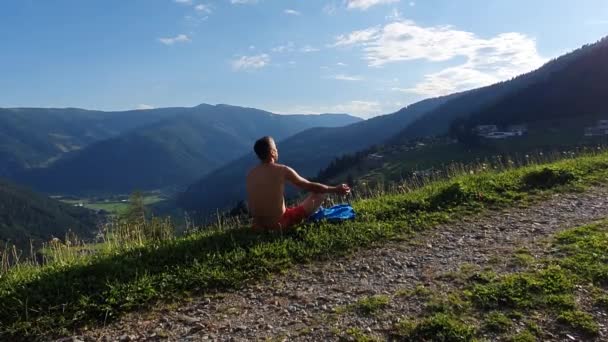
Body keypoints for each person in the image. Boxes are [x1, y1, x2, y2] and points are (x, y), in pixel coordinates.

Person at [246, 136, 351, 231]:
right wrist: (336, 189)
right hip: (279, 224)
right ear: (272, 152)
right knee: (320, 193)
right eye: (276, 148)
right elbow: (311, 186)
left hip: (257, 225)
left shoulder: (251, 174)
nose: (277, 150)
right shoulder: (283, 170)